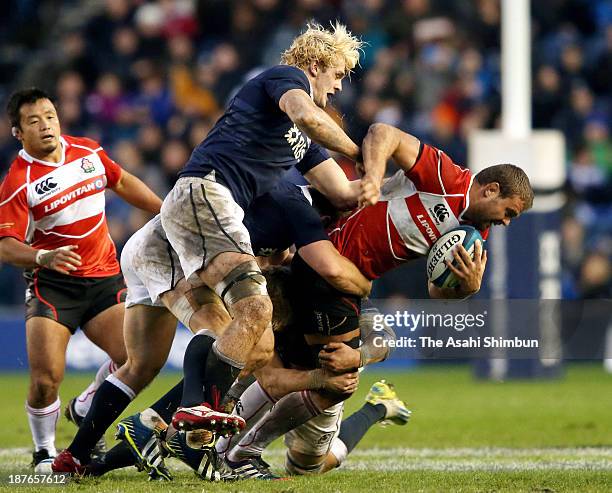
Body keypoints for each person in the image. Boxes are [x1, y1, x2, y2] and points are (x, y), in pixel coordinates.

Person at [219, 123, 534, 477]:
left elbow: (436, 292)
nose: (506, 223)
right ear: (491, 190)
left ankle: (216, 443)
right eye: (509, 213)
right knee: (335, 378)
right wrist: (374, 179)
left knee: (307, 437)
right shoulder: (447, 180)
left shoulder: (474, 234)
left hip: (349, 285)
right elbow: (384, 133)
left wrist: (466, 289)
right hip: (331, 269)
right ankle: (237, 453)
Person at [158, 20, 371, 438]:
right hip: (207, 192)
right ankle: (200, 407)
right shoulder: (285, 79)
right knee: (256, 310)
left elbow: (343, 192)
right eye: (339, 74)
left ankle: (160, 425)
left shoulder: (301, 142)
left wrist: (391, 181)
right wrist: (356, 148)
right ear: (315, 63)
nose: (340, 88)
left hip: (199, 207)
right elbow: (305, 113)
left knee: (245, 332)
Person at [0, 88, 162, 469]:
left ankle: (87, 402)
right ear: (18, 132)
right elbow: (5, 246)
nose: (45, 125)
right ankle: (43, 451)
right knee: (45, 380)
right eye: (33, 121)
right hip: (55, 287)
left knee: (134, 359)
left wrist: (165, 209)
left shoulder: (88, 152)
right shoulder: (18, 181)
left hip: (104, 279)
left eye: (50, 116)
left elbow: (122, 182)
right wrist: (44, 256)